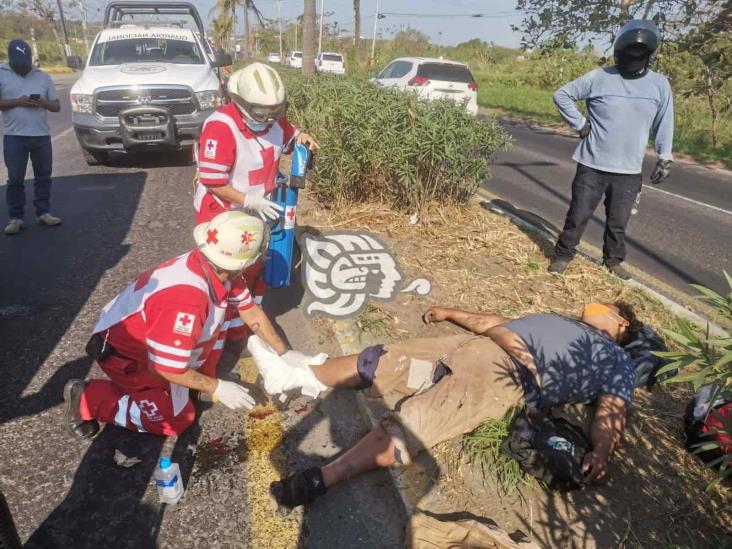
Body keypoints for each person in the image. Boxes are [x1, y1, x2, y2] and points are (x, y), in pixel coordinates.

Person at [259, 301, 641, 510]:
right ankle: (295, 374)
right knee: (382, 360)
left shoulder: (617, 360)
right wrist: (450, 313)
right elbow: (493, 320)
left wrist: (603, 450)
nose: (596, 303)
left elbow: (612, 410)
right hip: (475, 347)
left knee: (412, 426)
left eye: (607, 304)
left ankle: (315, 481)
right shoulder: (561, 319)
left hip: (506, 375)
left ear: (621, 324)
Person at [62, 212, 298, 439]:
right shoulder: (188, 298)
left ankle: (187, 386)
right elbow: (165, 368)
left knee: (206, 344)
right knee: (175, 420)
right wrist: (216, 387)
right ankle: (87, 398)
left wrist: (284, 352)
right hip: (128, 356)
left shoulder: (216, 267)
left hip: (154, 341)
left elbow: (251, 311)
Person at [193, 62, 319, 356]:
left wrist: (302, 137)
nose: (270, 119)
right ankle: (212, 337)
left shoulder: (275, 122)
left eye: (275, 111)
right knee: (223, 275)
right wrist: (249, 201)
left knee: (253, 268)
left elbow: (288, 136)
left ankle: (243, 328)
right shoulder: (220, 127)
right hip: (223, 212)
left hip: (258, 210)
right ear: (240, 102)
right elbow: (213, 180)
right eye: (263, 113)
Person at [549, 20, 674, 280]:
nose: (634, 58)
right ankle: (562, 255)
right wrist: (580, 124)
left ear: (648, 56)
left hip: (628, 169)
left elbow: (665, 121)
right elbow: (562, 94)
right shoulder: (599, 77)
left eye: (640, 54)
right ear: (620, 52)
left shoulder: (659, 85)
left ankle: (613, 260)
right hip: (592, 164)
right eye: (630, 52)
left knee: (618, 223)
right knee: (578, 215)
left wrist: (665, 157)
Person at [0, 39, 61, 235]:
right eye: (18, 63)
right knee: (15, 178)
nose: (23, 67)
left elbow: (57, 106)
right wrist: (18, 102)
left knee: (43, 176)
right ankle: (15, 218)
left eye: (25, 63)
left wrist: (42, 102)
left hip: (41, 136)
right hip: (14, 137)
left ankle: (44, 212)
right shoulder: (2, 74)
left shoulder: (42, 77)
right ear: (10, 59)